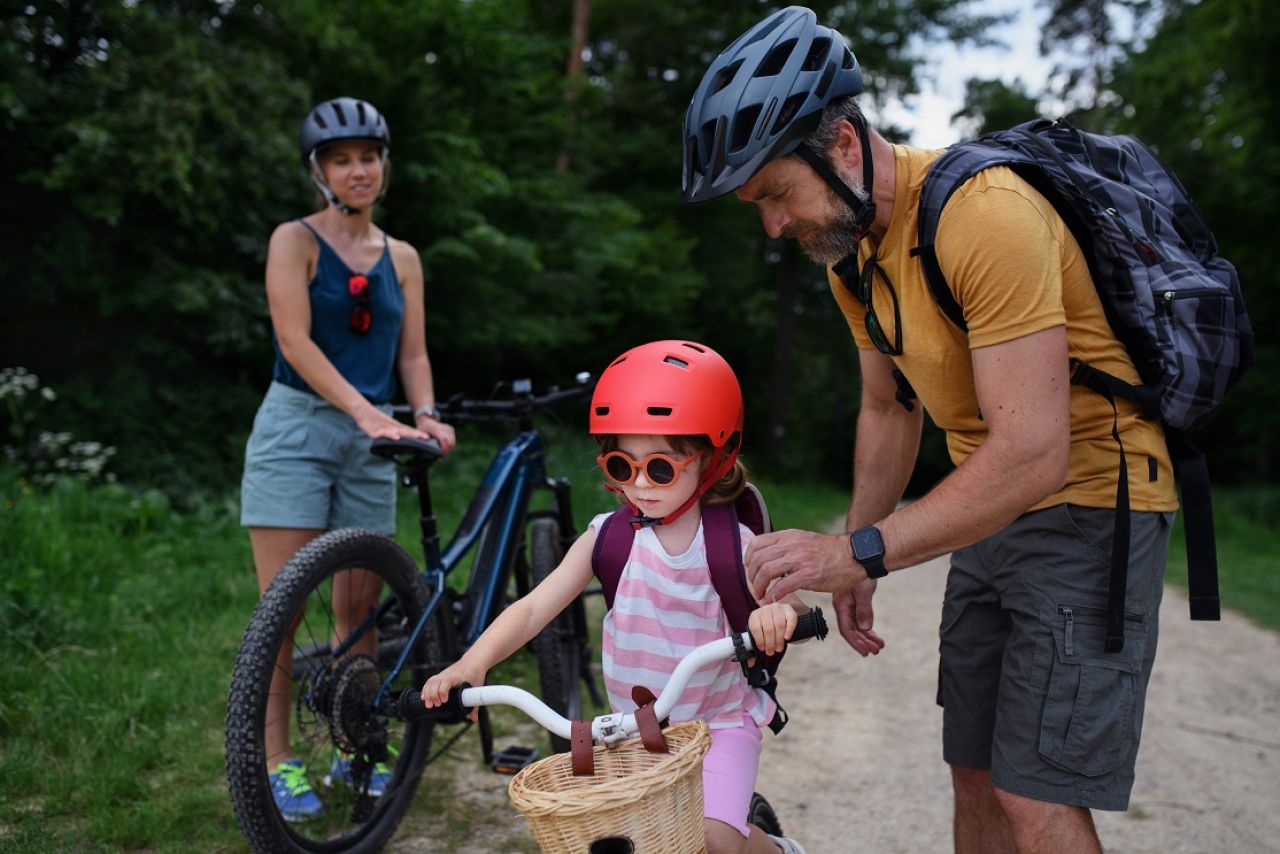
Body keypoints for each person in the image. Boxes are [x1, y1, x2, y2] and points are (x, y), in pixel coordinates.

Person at [682, 7, 1178, 854]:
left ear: (841, 144)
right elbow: (890, 407)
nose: (772, 225)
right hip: (992, 507)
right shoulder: (853, 255)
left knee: (1035, 790)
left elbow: (1032, 450)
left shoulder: (983, 213)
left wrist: (859, 552)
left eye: (775, 194)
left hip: (1094, 504)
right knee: (975, 769)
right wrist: (857, 548)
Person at [421, 340, 809, 854]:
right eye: (623, 467)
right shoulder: (608, 537)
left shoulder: (731, 544)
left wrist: (780, 613)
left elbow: (795, 606)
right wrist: (473, 663)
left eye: (662, 468)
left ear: (713, 458)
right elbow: (534, 608)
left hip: (718, 725)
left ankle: (780, 850)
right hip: (634, 733)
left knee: (714, 842)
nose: (641, 485)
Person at [240, 96, 456, 821]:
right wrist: (366, 410)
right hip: (297, 430)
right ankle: (277, 761)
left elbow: (414, 352)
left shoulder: (403, 258)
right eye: (341, 159)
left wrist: (421, 412)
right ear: (319, 171)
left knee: (359, 608)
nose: (357, 170)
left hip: (376, 438)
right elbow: (295, 342)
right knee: (283, 607)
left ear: (383, 166)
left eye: (367, 157)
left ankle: (352, 740)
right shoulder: (293, 240)